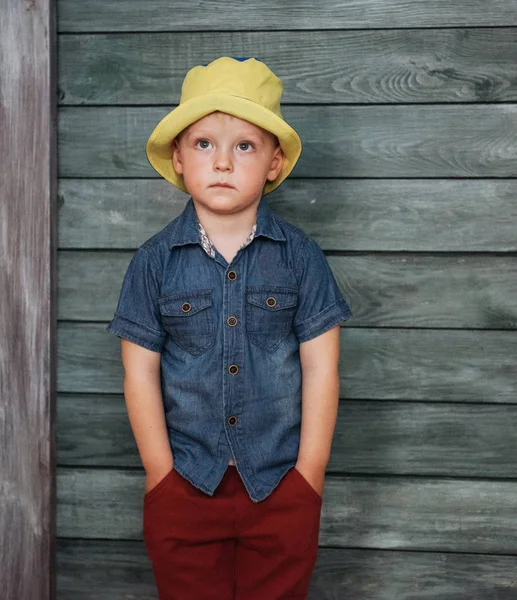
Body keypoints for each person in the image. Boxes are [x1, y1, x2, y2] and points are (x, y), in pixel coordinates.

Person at [106, 56, 352, 600]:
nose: (222, 162)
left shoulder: (301, 258)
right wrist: (160, 475)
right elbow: (140, 373)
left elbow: (321, 366)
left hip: (281, 484)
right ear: (178, 157)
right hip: (187, 484)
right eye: (203, 144)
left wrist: (309, 473)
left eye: (243, 145)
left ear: (272, 161)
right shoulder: (153, 262)